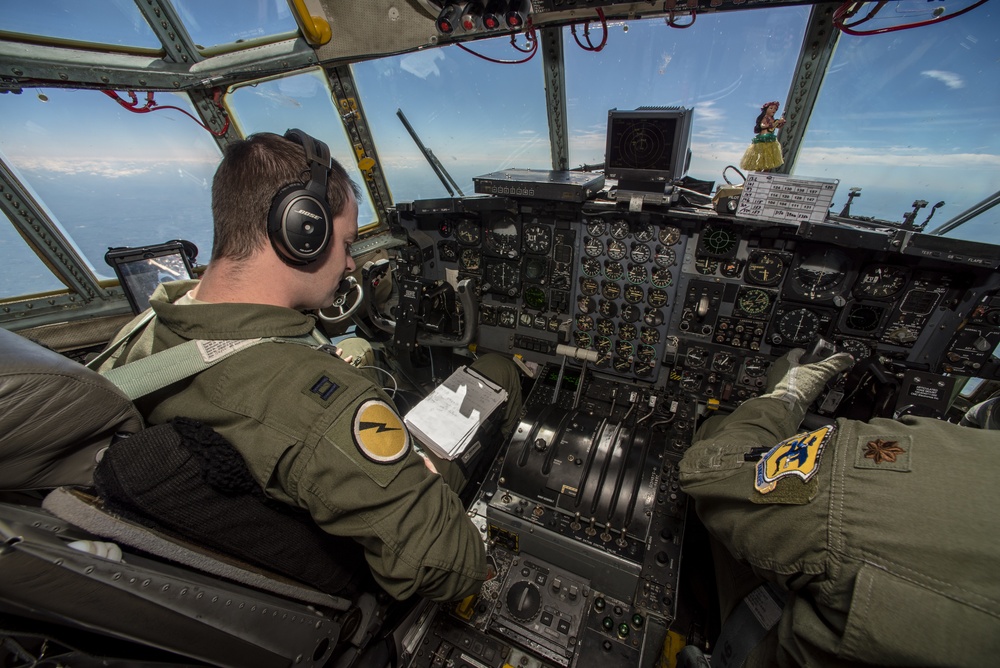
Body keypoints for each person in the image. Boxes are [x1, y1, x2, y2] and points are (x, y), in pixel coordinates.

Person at [98, 130, 522, 603]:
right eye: (344, 242)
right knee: (497, 370)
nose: (348, 264)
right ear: (303, 230)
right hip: (368, 531)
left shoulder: (144, 333)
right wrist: (418, 478)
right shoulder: (329, 406)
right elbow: (449, 568)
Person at [679, 349, 1000, 667]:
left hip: (776, 651)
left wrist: (783, 399)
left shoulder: (968, 479)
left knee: (715, 435)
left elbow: (715, 473)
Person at [739, 101, 786, 172]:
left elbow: (776, 127)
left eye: (775, 109)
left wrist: (780, 123)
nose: (773, 110)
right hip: (763, 139)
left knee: (769, 160)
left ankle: (764, 175)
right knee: (760, 159)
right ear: (766, 109)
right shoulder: (765, 118)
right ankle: (758, 174)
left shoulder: (772, 119)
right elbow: (762, 125)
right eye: (771, 108)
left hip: (770, 139)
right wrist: (773, 124)